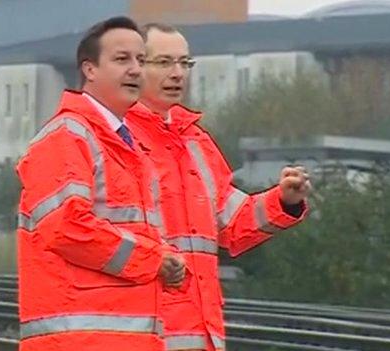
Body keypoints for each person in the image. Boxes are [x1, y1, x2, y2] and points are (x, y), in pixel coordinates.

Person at [125, 23, 311, 351]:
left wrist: (283, 201)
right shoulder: (118, 139)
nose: (178, 73)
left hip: (201, 331)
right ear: (135, 66)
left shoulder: (197, 142)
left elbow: (232, 222)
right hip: (145, 330)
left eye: (185, 63)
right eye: (165, 62)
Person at [16, 17, 185, 351]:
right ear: (89, 70)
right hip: (81, 341)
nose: (136, 69)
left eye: (141, 59)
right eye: (122, 59)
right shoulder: (67, 136)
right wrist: (153, 260)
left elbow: (134, 232)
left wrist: (166, 255)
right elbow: (66, 227)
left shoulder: (127, 148)